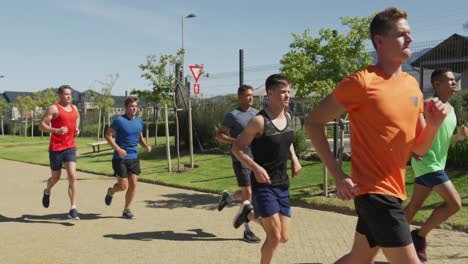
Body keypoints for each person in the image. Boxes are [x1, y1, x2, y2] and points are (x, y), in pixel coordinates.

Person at [304, 7, 449, 264]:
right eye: (402, 34)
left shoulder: (411, 85)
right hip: (374, 193)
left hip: (394, 190)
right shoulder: (361, 83)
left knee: (359, 258)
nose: (410, 39)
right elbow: (313, 122)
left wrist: (435, 125)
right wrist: (338, 175)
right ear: (380, 41)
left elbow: (419, 149)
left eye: (410, 33)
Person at [231, 74, 302, 264]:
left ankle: (249, 214)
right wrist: (255, 167)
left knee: (284, 236)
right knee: (274, 237)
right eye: (283, 92)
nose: (288, 96)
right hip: (263, 185)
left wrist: (294, 158)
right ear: (270, 94)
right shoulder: (259, 122)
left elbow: (286, 139)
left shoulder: (287, 116)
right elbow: (236, 148)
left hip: (282, 183)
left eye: (288, 92)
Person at [404, 68, 468, 262]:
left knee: (414, 205)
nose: (454, 83)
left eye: (454, 80)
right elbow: (412, 132)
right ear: (436, 84)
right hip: (427, 163)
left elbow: (444, 142)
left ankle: (394, 238)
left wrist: (458, 137)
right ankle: (420, 236)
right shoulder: (427, 105)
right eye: (449, 80)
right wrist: (413, 150)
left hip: (436, 164)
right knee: (455, 203)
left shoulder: (452, 111)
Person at [215, 84, 261, 243]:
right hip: (240, 158)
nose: (251, 98)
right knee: (248, 194)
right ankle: (247, 231)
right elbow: (219, 135)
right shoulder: (233, 115)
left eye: (252, 95)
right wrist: (237, 141)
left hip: (256, 159)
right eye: (248, 95)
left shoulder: (257, 114)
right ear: (240, 97)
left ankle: (228, 198)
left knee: (250, 193)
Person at [104, 96, 151, 219]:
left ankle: (126, 210)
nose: (134, 108)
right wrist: (118, 149)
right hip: (120, 158)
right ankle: (111, 192)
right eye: (131, 106)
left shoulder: (139, 122)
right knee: (123, 186)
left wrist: (145, 145)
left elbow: (139, 137)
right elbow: (108, 135)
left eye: (135, 106)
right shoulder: (119, 121)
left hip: (133, 158)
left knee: (134, 184)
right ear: (126, 108)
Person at [39, 85, 81, 219]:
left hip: (70, 147)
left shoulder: (74, 108)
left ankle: (73, 208)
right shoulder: (54, 108)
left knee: (72, 176)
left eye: (70, 94)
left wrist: (76, 128)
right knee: (55, 178)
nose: (69, 96)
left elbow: (77, 117)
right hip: (56, 148)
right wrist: (56, 130)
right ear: (60, 95)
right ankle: (47, 190)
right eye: (66, 94)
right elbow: (41, 126)